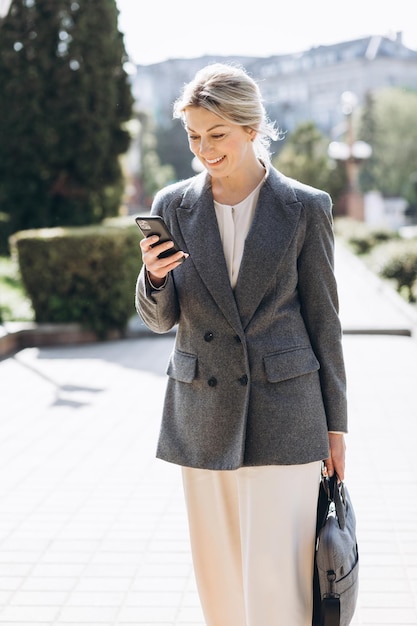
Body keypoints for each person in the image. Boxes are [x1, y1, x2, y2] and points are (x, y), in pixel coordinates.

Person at [136, 62, 347, 626]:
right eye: (194, 136)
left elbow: (325, 324)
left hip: (286, 414)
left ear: (251, 128)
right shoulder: (173, 206)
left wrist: (337, 427)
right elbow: (161, 321)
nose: (204, 149)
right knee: (221, 588)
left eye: (217, 135)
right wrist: (154, 279)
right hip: (202, 414)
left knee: (279, 588)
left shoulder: (306, 207)